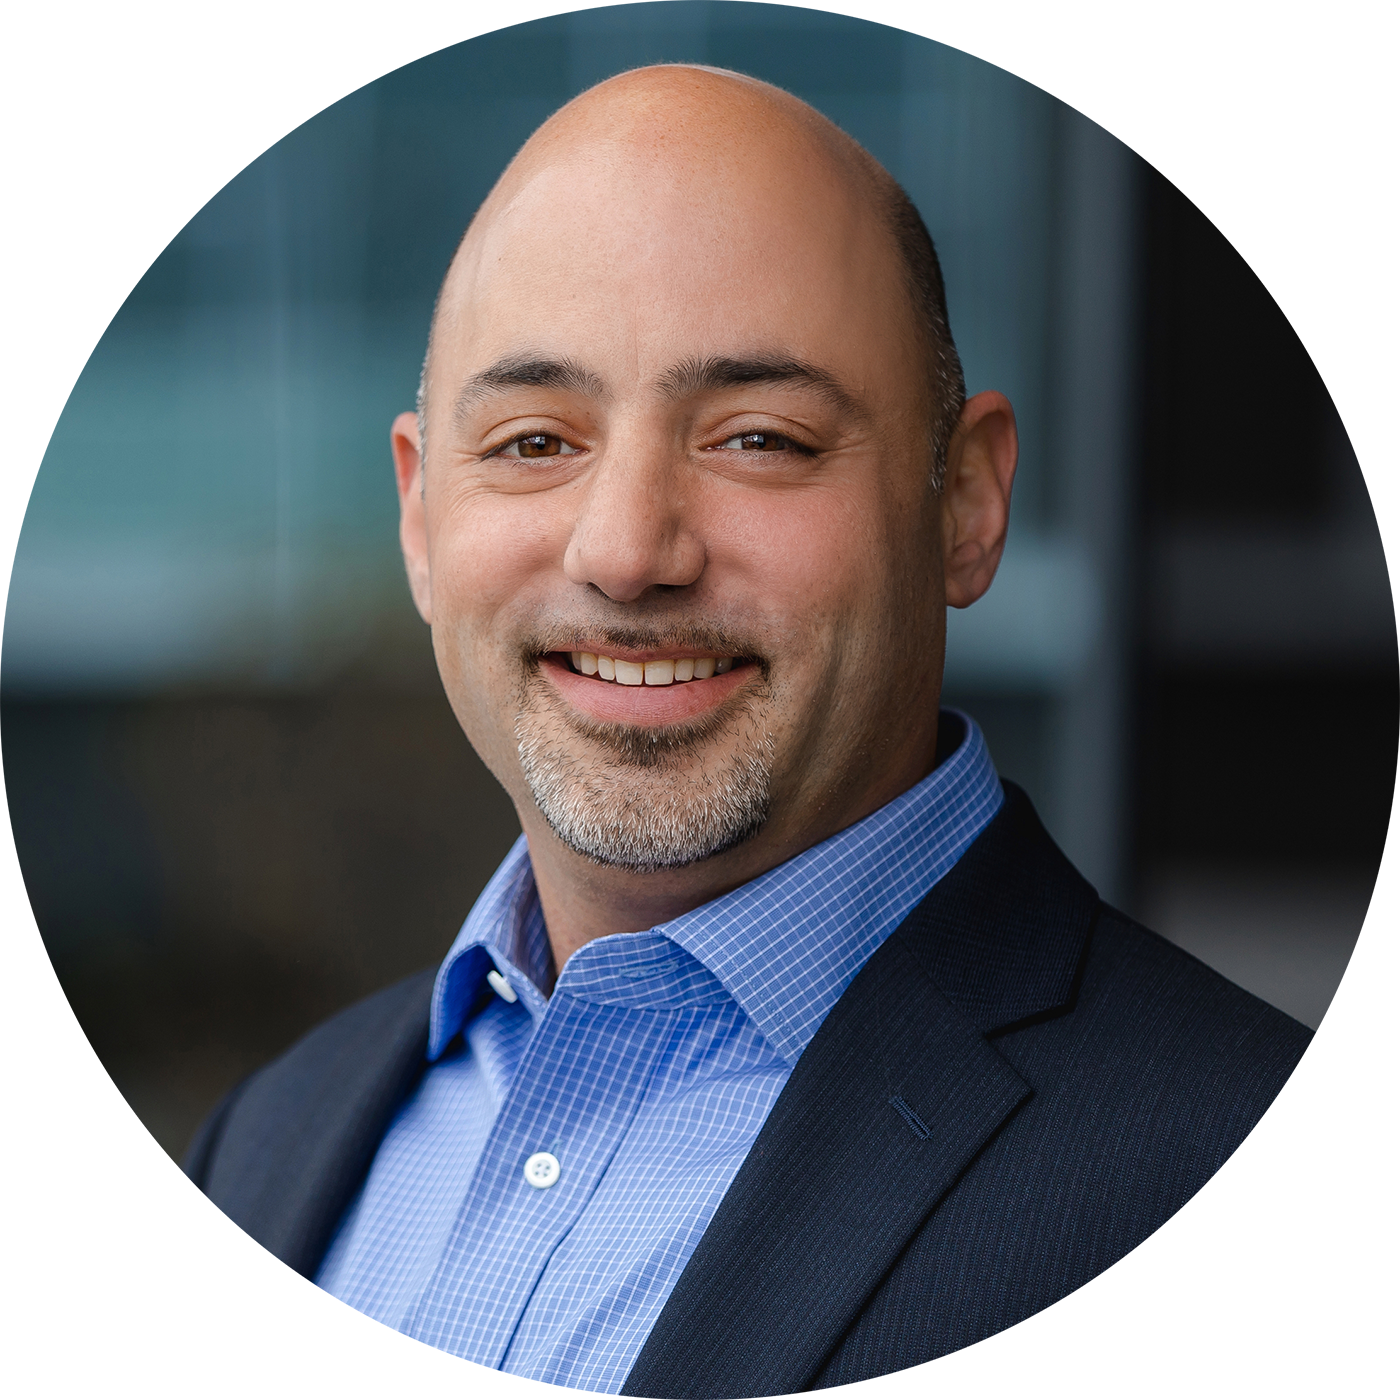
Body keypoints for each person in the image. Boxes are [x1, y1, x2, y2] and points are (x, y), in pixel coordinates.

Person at [142, 65, 1385, 1400]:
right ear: (419, 517)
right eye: (532, 440)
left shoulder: (1303, 1218)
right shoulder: (260, 1159)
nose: (625, 550)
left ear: (964, 501)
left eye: (757, 437)